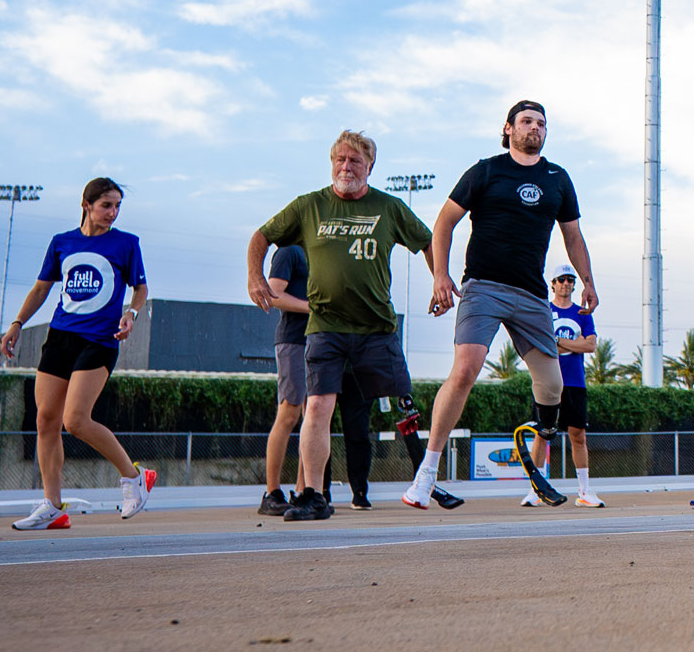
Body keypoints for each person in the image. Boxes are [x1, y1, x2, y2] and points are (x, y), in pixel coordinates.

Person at [405, 101, 599, 510]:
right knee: (465, 370)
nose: (535, 128)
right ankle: (426, 475)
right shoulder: (486, 171)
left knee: (552, 386)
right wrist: (441, 275)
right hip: (483, 287)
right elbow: (443, 223)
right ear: (508, 128)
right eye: (527, 122)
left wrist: (588, 281)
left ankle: (540, 435)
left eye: (542, 123)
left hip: (531, 296)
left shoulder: (557, 179)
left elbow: (573, 237)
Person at [248, 131, 444, 521]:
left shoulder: (388, 207)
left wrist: (440, 278)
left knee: (403, 404)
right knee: (316, 406)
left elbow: (428, 239)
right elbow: (261, 236)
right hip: (325, 326)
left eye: (354, 160)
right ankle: (313, 495)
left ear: (370, 166)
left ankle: (427, 478)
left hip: (376, 329)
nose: (345, 166)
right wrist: (255, 277)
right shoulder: (311, 206)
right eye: (339, 159)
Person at [0, 178, 154, 530]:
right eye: (106, 206)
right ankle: (53, 507)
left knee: (76, 421)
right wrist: (18, 323)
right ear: (86, 204)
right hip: (60, 337)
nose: (112, 213)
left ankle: (134, 478)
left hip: (99, 340)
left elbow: (141, 287)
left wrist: (131, 313)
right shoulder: (62, 243)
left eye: (117, 206)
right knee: (45, 420)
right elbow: (42, 287)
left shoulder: (127, 244)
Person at [258, 243, 378, 513]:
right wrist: (314, 308)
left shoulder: (321, 251)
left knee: (311, 418)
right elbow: (273, 295)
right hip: (294, 341)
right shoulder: (289, 252)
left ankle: (305, 492)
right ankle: (272, 493)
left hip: (320, 342)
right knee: (288, 413)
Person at [528, 264, 603, 506]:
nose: (566, 284)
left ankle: (584, 491)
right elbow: (540, 343)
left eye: (571, 280)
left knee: (578, 435)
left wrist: (558, 341)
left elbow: (590, 346)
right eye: (561, 280)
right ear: (553, 283)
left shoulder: (582, 313)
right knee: (542, 434)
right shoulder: (544, 311)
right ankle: (536, 489)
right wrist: (574, 342)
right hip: (547, 381)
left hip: (575, 383)